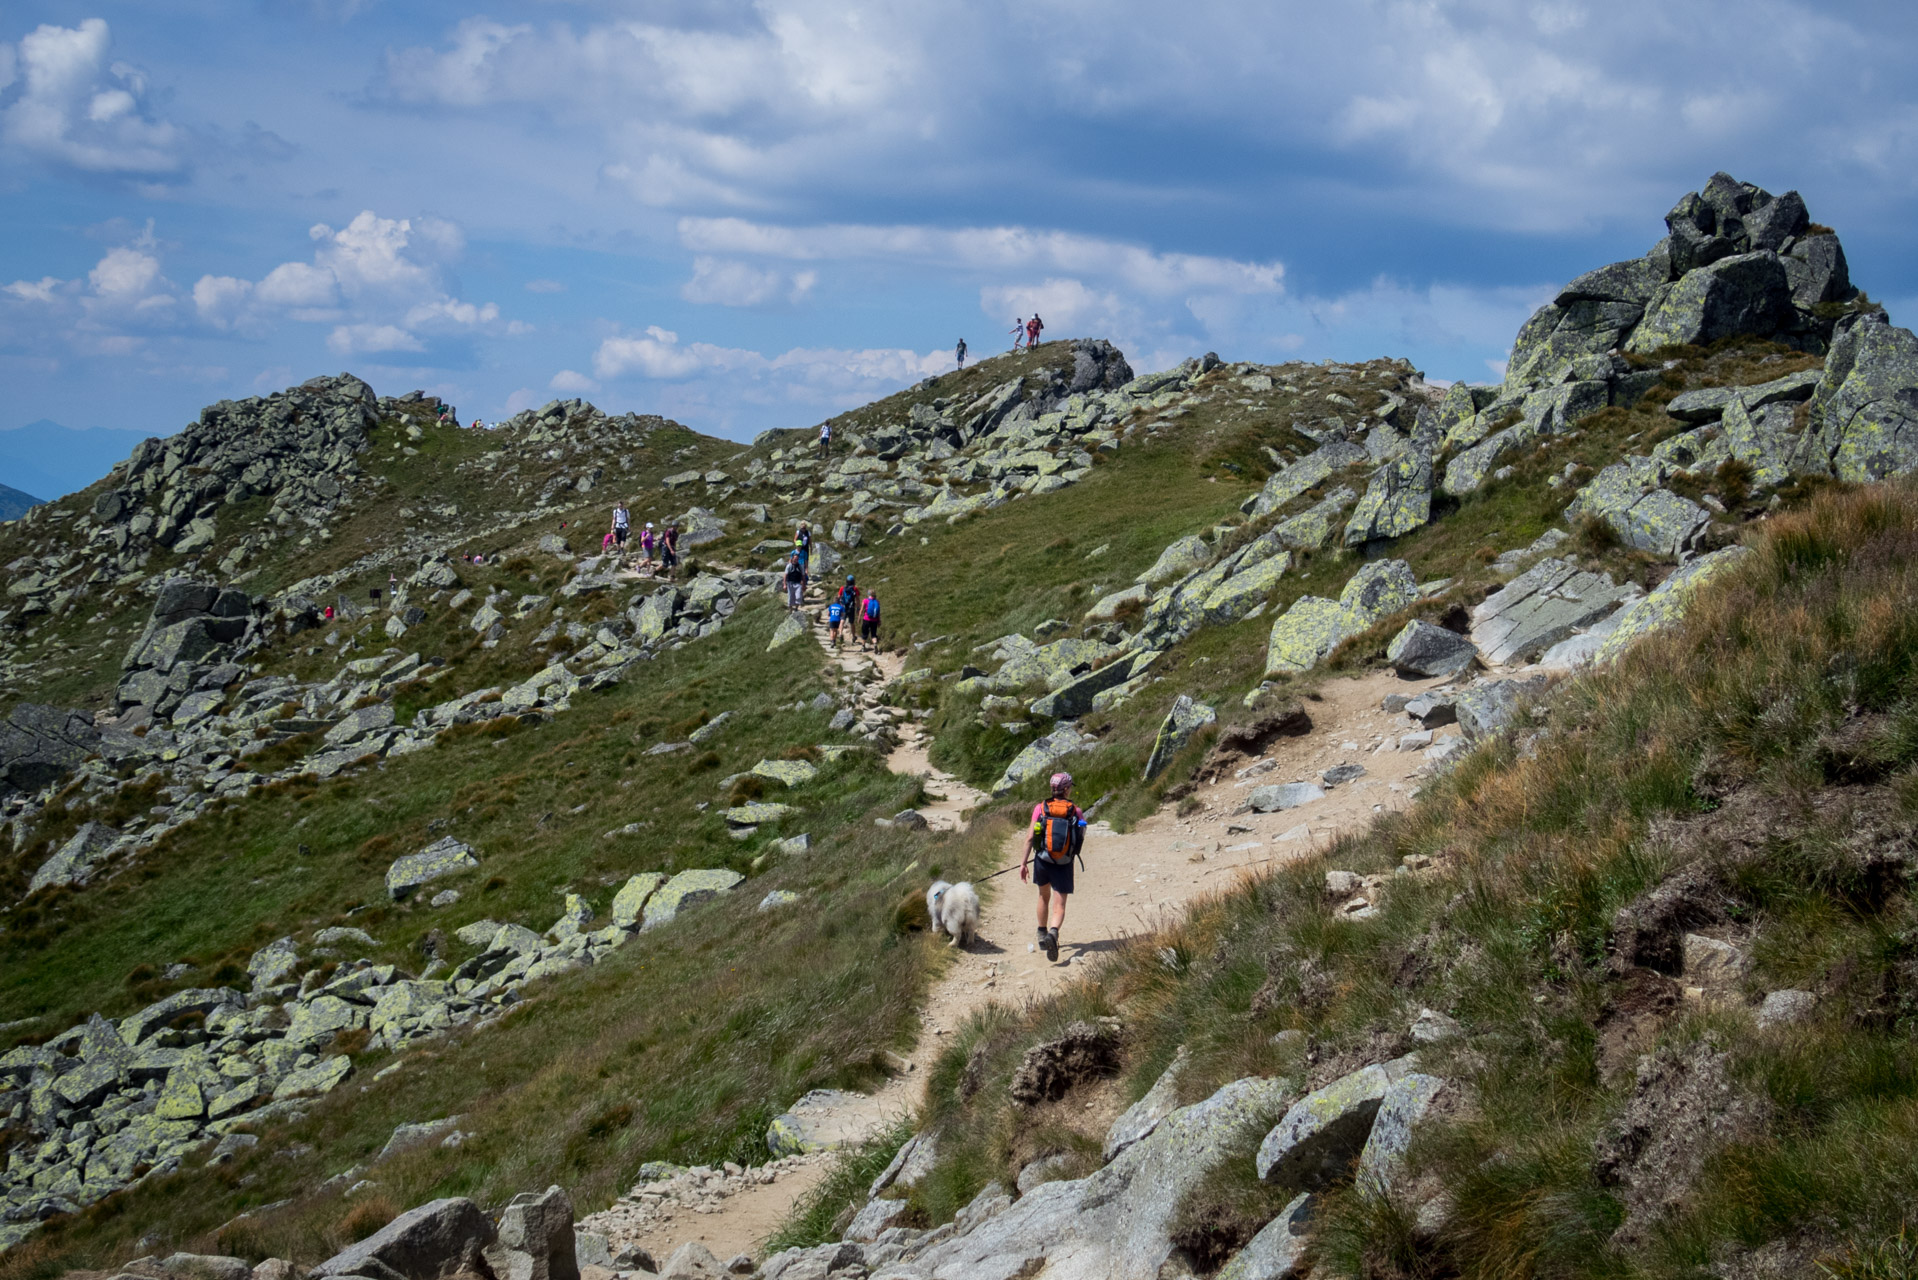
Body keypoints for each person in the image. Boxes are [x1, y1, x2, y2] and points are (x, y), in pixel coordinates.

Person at [1021, 771, 1085, 962]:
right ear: (1066, 789)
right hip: (1064, 862)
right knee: (1060, 904)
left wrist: (1023, 863)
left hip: (1042, 860)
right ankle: (1053, 932)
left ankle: (1042, 934)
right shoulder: (1076, 811)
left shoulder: (1040, 808)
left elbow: (1030, 837)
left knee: (1043, 896)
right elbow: (1079, 839)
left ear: (1052, 788)